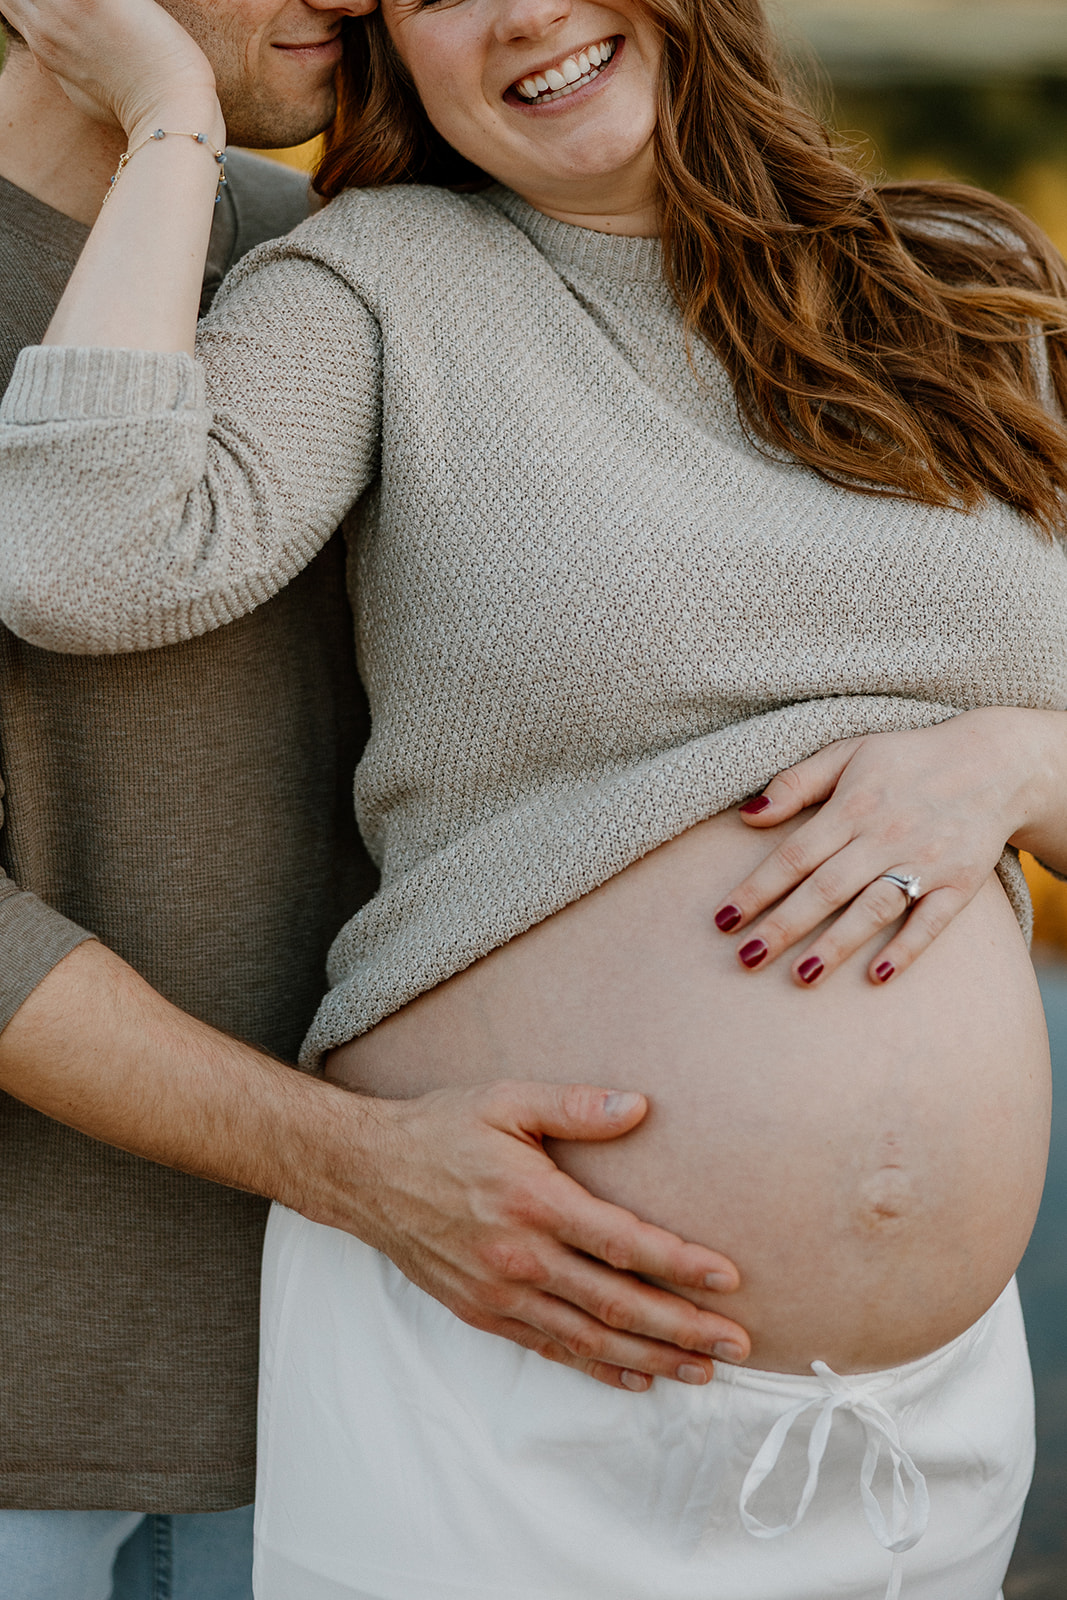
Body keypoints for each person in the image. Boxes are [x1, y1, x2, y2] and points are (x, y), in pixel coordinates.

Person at [3, 0, 1067, 1593]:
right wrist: (171, 113)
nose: (521, 12)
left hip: (927, 1423)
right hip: (498, 1374)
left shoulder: (966, 284)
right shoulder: (374, 277)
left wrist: (1019, 759)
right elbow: (83, 561)